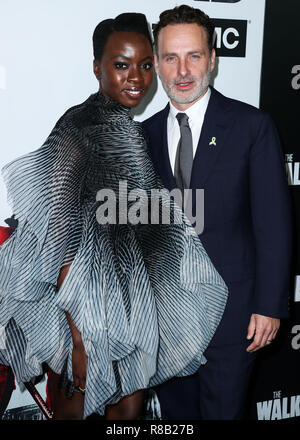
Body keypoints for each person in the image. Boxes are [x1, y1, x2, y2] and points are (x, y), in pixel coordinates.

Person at [0, 12, 228, 420]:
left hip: (126, 306)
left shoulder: (126, 128)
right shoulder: (81, 128)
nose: (137, 78)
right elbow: (57, 233)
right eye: (121, 65)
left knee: (127, 410)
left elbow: (135, 216)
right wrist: (80, 335)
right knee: (89, 404)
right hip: (91, 317)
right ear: (96, 67)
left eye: (144, 64)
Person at [142, 5, 292, 420]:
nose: (183, 70)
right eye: (170, 57)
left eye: (193, 55)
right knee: (176, 420)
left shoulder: (251, 126)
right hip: (166, 320)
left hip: (235, 317)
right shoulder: (143, 135)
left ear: (212, 59)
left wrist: (269, 305)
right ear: (156, 64)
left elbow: (273, 224)